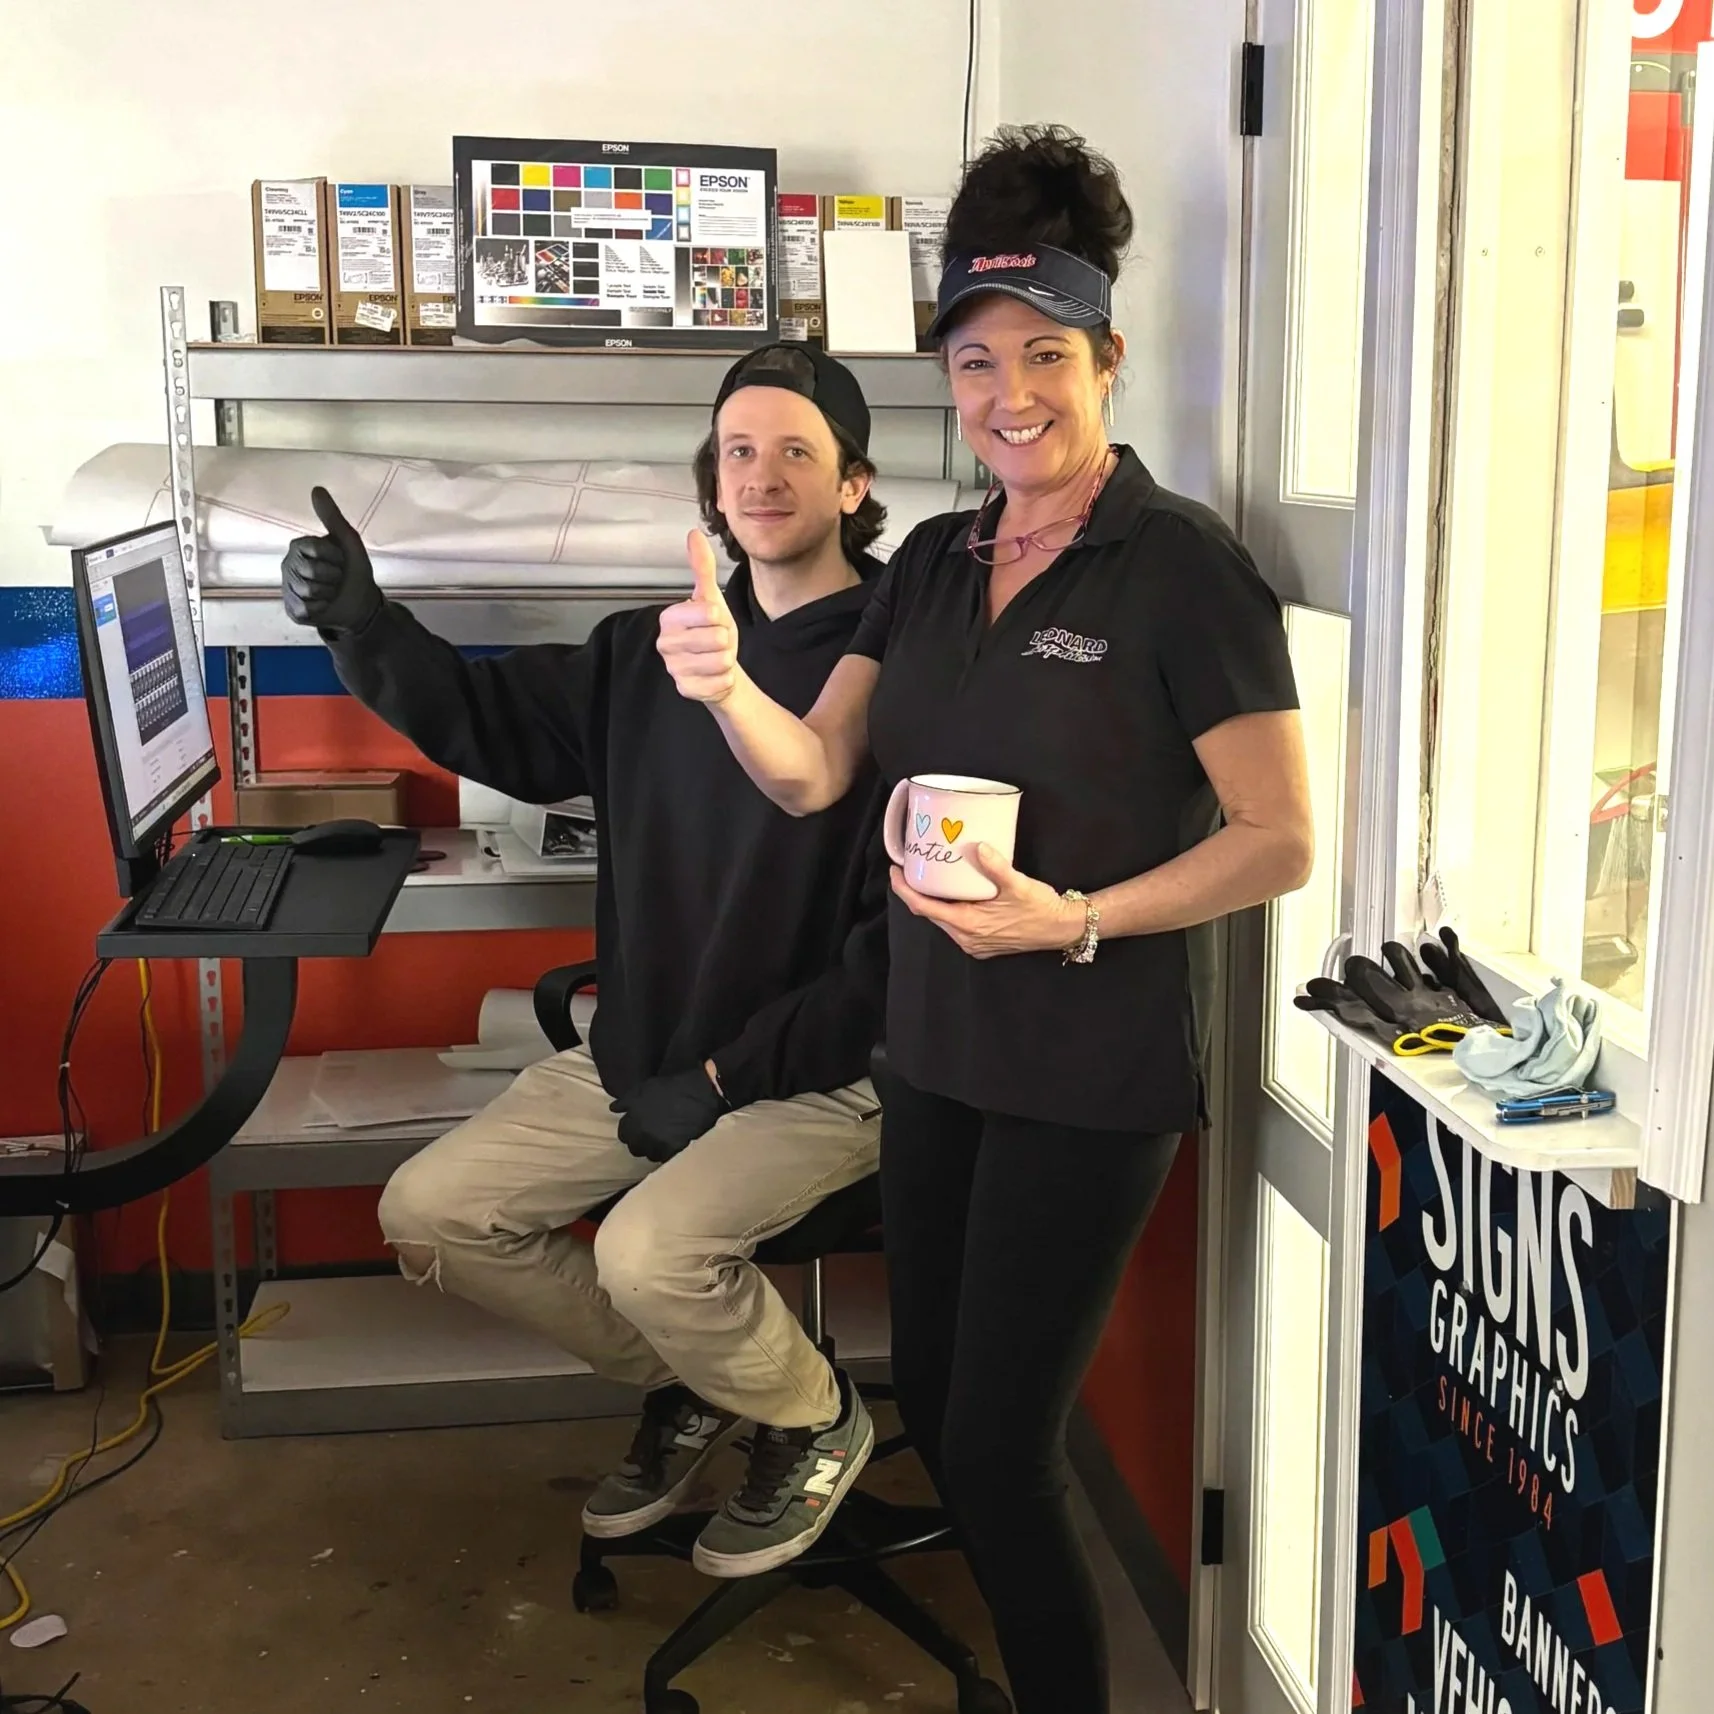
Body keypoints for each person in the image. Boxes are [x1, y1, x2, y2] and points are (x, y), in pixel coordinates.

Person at [656, 127, 1314, 1711]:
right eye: (972, 362)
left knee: (1007, 1450)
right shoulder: (938, 565)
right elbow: (817, 772)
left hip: (1087, 1073)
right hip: (934, 1050)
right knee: (943, 1412)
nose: (1007, 392)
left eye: (1041, 354)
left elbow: (1278, 839)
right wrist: (726, 679)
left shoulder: (1178, 571)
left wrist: (1076, 915)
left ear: (1105, 357)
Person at [279, 346, 895, 1580]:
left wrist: (722, 1081)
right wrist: (364, 622)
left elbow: (897, 953)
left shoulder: (899, 662)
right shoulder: (643, 652)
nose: (760, 477)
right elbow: (494, 722)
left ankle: (816, 1416)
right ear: (709, 485)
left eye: (794, 453)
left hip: (822, 1069)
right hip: (649, 1046)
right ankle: (705, 1377)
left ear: (852, 485)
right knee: (435, 1212)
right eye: (737, 451)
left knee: (645, 1249)